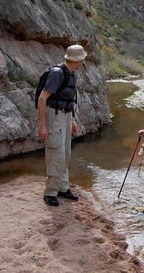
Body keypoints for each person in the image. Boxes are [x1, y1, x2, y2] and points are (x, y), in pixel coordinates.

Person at [37, 45, 87, 207]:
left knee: (65, 152)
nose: (82, 62)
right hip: (54, 116)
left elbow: (69, 100)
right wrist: (43, 126)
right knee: (55, 153)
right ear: (76, 60)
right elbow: (42, 99)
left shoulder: (71, 74)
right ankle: (50, 192)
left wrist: (71, 120)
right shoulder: (57, 74)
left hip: (65, 116)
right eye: (81, 59)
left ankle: (62, 188)